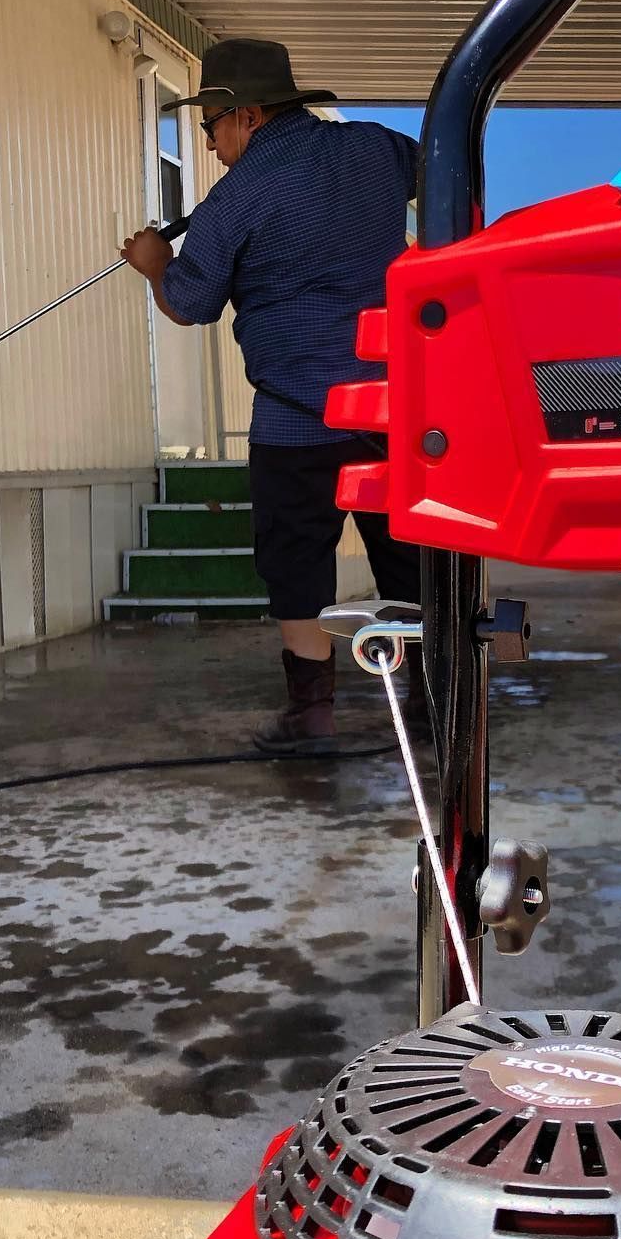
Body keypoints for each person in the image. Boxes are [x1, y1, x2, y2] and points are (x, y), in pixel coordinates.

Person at [121, 38, 424, 754]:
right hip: (394, 406)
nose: (210, 144)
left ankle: (311, 719)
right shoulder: (378, 149)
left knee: (296, 562)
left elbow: (191, 303)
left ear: (246, 115)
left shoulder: (236, 199)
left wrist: (155, 264)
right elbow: (446, 173)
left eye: (211, 128)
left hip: (295, 417)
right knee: (411, 558)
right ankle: (435, 702)